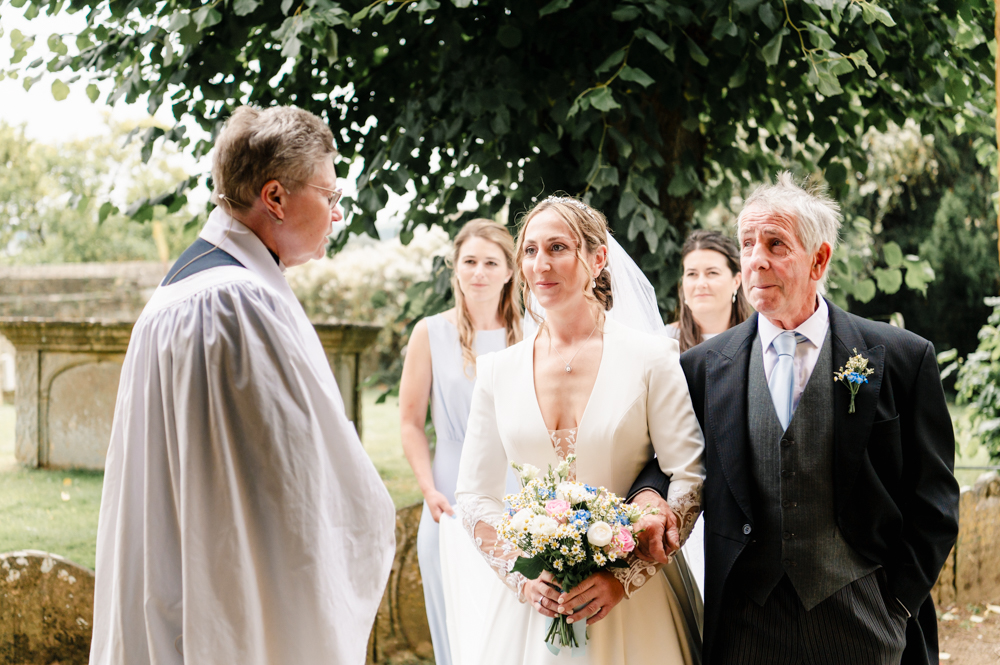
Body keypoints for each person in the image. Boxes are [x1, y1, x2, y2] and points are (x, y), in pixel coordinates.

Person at [89, 105, 396, 665]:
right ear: (275, 197)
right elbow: (288, 486)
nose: (335, 214)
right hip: (229, 609)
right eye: (329, 196)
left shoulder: (194, 288)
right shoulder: (232, 303)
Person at [630, 172, 959, 665]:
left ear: (819, 259)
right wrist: (649, 496)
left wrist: (896, 604)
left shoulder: (901, 357)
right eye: (747, 244)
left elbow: (934, 499)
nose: (756, 258)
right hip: (746, 624)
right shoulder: (702, 366)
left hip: (864, 621)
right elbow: (670, 459)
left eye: (776, 243)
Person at [450, 196, 705, 665]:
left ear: (597, 258)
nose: (540, 264)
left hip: (636, 605)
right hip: (535, 606)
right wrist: (521, 577)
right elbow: (473, 495)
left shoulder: (651, 358)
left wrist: (623, 577)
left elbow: (689, 477)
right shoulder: (496, 371)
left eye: (558, 248)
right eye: (529, 251)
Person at [399, 218, 522, 665]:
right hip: (449, 489)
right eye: (469, 262)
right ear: (456, 269)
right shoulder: (429, 332)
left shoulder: (530, 334)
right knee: (454, 611)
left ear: (510, 270)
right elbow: (411, 421)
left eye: (491, 262)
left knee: (514, 613)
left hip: (518, 488)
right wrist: (428, 488)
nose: (479, 273)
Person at [665, 230, 753, 597]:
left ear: (736, 280)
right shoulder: (661, 347)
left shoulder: (759, 345)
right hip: (678, 494)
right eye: (691, 273)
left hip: (740, 499)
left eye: (712, 272)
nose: (700, 283)